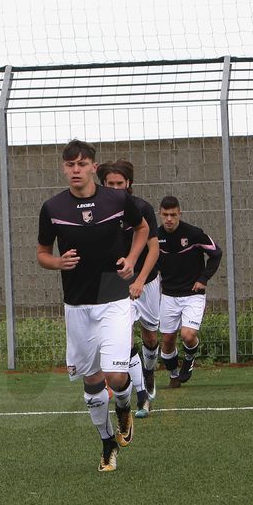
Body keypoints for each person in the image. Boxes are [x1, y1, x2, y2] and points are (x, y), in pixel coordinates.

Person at [37, 140, 149, 472]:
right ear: (63, 168)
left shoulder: (117, 199)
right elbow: (42, 254)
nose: (75, 170)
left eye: (82, 164)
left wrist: (130, 259)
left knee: (116, 376)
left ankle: (125, 407)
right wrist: (57, 262)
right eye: (69, 164)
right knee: (91, 381)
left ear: (93, 167)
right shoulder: (52, 208)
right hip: (77, 305)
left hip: (113, 297)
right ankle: (106, 441)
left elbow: (142, 229)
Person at [98, 160, 161, 417]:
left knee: (150, 337)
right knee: (122, 338)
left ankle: (149, 371)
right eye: (110, 184)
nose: (115, 189)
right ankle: (142, 395)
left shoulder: (142, 208)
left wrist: (139, 279)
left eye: (119, 184)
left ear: (129, 184)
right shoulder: (98, 210)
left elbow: (154, 248)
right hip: (115, 283)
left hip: (146, 279)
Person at [156, 196, 222, 387]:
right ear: (160, 214)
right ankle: (173, 374)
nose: (169, 219)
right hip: (168, 295)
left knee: (188, 335)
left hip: (193, 295)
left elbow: (216, 253)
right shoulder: (155, 236)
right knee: (167, 340)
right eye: (165, 215)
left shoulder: (193, 234)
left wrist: (203, 279)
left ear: (179, 214)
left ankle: (189, 359)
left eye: (173, 215)